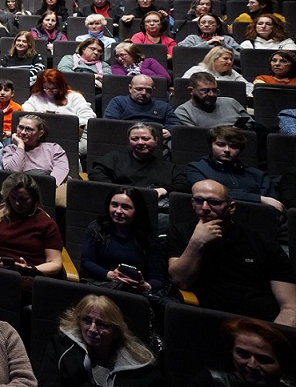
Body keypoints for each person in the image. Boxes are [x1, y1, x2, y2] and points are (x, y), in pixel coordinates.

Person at [168, 179, 296, 325]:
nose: (204, 207)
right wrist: (196, 243)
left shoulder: (263, 244)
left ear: (231, 207)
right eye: (198, 200)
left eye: (214, 202)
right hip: (210, 321)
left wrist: (272, 338)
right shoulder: (180, 233)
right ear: (192, 203)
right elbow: (181, 281)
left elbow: (290, 307)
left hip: (261, 324)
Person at [36, 294, 168, 387]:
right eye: (87, 320)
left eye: (102, 324)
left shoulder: (140, 364)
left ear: (116, 331)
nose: (92, 329)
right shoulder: (62, 347)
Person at [177, 317, 296, 387]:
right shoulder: (212, 384)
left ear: (284, 364)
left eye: (263, 359)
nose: (251, 365)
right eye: (243, 354)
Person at [78, 187, 166, 293]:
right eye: (114, 205)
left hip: (134, 293)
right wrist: (110, 275)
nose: (118, 211)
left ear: (137, 211)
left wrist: (144, 285)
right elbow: (87, 261)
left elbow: (157, 280)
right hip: (99, 286)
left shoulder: (148, 240)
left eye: (126, 207)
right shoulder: (97, 228)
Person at [0, 172, 64, 280]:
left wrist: (30, 268)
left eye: (23, 199)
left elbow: (55, 263)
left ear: (34, 198)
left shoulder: (46, 224)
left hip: (27, 277)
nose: (17, 203)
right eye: (13, 198)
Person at [185, 125, 283, 212]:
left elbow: (273, 206)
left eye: (233, 146)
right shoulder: (196, 168)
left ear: (240, 150)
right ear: (211, 146)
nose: (227, 150)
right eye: (220, 144)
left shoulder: (258, 175)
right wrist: (259, 199)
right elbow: (212, 195)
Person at [2, 113, 70, 194]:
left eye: (29, 129)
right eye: (20, 127)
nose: (23, 132)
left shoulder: (54, 149)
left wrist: (43, 189)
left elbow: (60, 173)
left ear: (40, 134)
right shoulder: (10, 150)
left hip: (50, 192)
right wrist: (20, 146)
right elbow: (14, 172)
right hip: (20, 193)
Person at [23, 69, 95, 131]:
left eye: (54, 89)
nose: (49, 92)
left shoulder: (74, 97)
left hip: (68, 134)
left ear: (61, 86)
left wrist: (65, 118)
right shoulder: (37, 96)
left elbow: (88, 119)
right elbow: (23, 112)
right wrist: (37, 115)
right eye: (46, 88)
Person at [104, 74, 178, 134]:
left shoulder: (163, 106)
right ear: (130, 88)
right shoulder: (118, 102)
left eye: (148, 90)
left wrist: (169, 130)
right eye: (139, 89)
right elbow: (110, 124)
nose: (144, 93)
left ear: (153, 90)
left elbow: (175, 124)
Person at [176, 72, 251, 127]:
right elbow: (196, 138)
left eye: (214, 90)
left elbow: (252, 125)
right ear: (191, 91)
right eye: (205, 91)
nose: (211, 94)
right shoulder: (184, 112)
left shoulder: (231, 102)